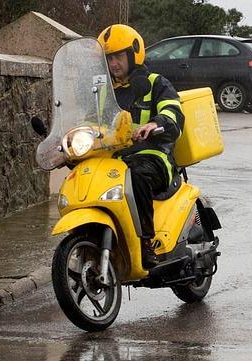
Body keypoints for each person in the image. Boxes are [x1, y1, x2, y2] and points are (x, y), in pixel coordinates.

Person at [97, 24, 184, 269]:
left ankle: (146, 243)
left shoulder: (156, 83)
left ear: (134, 54)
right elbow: (87, 119)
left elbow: (174, 111)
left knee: (136, 177)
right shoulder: (103, 90)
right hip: (114, 159)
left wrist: (157, 122)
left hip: (153, 156)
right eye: (109, 58)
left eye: (118, 56)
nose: (113, 63)